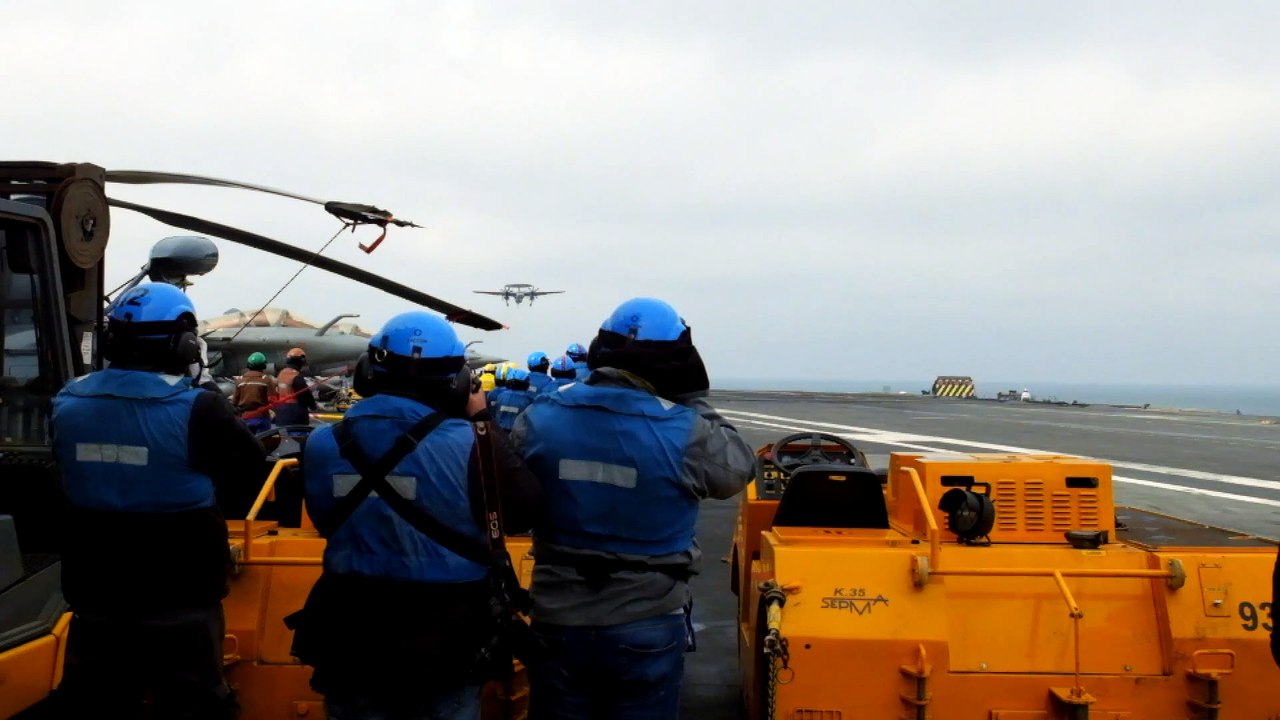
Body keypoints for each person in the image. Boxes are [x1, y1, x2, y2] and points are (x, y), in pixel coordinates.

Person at [291, 310, 542, 720]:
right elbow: (522, 512)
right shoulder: (474, 443)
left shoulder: (322, 442)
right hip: (447, 637)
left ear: (368, 370)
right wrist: (481, 420)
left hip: (351, 629)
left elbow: (323, 517)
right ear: (458, 382)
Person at [511, 297, 755, 719]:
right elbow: (737, 469)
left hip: (557, 613)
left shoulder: (540, 416)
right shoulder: (686, 429)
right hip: (647, 617)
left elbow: (512, 500)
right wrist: (693, 396)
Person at [50, 282, 265, 719]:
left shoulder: (66, 401)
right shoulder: (200, 408)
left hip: (95, 595)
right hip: (181, 598)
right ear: (184, 344)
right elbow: (249, 474)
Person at [234, 351, 276, 435]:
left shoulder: (240, 380)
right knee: (263, 441)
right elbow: (272, 400)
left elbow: (235, 401)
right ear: (264, 365)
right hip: (262, 417)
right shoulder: (266, 380)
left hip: (245, 418)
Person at [274, 347, 316, 428]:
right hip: (295, 412)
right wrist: (312, 405)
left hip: (281, 411)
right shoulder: (296, 376)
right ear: (300, 361)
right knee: (299, 434)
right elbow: (304, 394)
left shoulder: (281, 373)